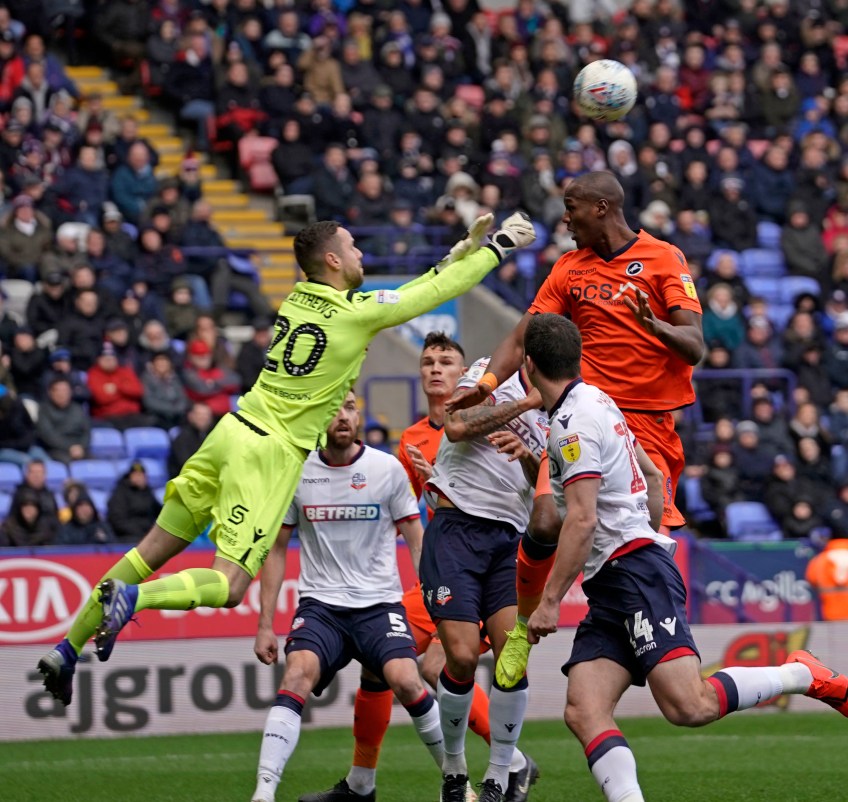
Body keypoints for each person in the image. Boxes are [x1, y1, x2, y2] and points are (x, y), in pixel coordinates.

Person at [37, 211, 537, 707]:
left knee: (147, 552)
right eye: (353, 247)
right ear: (334, 260)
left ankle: (67, 648)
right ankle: (134, 600)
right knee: (230, 584)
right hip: (268, 453)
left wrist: (450, 258)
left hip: (230, 431)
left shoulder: (298, 299)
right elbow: (432, 296)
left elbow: (408, 292)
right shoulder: (355, 314)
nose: (361, 253)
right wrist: (496, 248)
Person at [522, 313, 848, 802]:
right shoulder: (599, 400)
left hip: (632, 571)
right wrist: (642, 532)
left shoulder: (571, 425)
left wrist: (549, 601)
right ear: (578, 357)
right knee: (583, 709)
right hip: (616, 577)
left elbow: (582, 520)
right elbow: (654, 478)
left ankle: (801, 674)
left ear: (528, 366)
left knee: (689, 705)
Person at [446, 171, 704, 688]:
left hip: (647, 424)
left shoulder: (664, 259)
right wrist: (489, 383)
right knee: (546, 518)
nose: (564, 219)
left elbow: (695, 346)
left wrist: (653, 325)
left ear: (602, 207)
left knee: (646, 536)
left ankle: (652, 629)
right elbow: (523, 336)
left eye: (572, 207)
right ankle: (523, 628)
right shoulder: (569, 267)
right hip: (585, 414)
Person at [250, 392, 444, 802]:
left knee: (407, 680)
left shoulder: (386, 469)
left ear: (359, 416)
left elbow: (417, 541)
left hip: (379, 605)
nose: (342, 416)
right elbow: (277, 549)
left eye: (350, 407)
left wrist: (437, 604)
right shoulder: (296, 471)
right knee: (296, 674)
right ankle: (263, 792)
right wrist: (265, 624)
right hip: (322, 607)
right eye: (333, 408)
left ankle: (457, 781)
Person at [419, 350, 548, 802]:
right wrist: (524, 404)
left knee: (513, 658)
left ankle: (499, 777)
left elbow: (548, 486)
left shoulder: (566, 408)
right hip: (457, 527)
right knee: (459, 656)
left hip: (510, 538)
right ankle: (454, 771)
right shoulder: (494, 372)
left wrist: (528, 454)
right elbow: (456, 424)